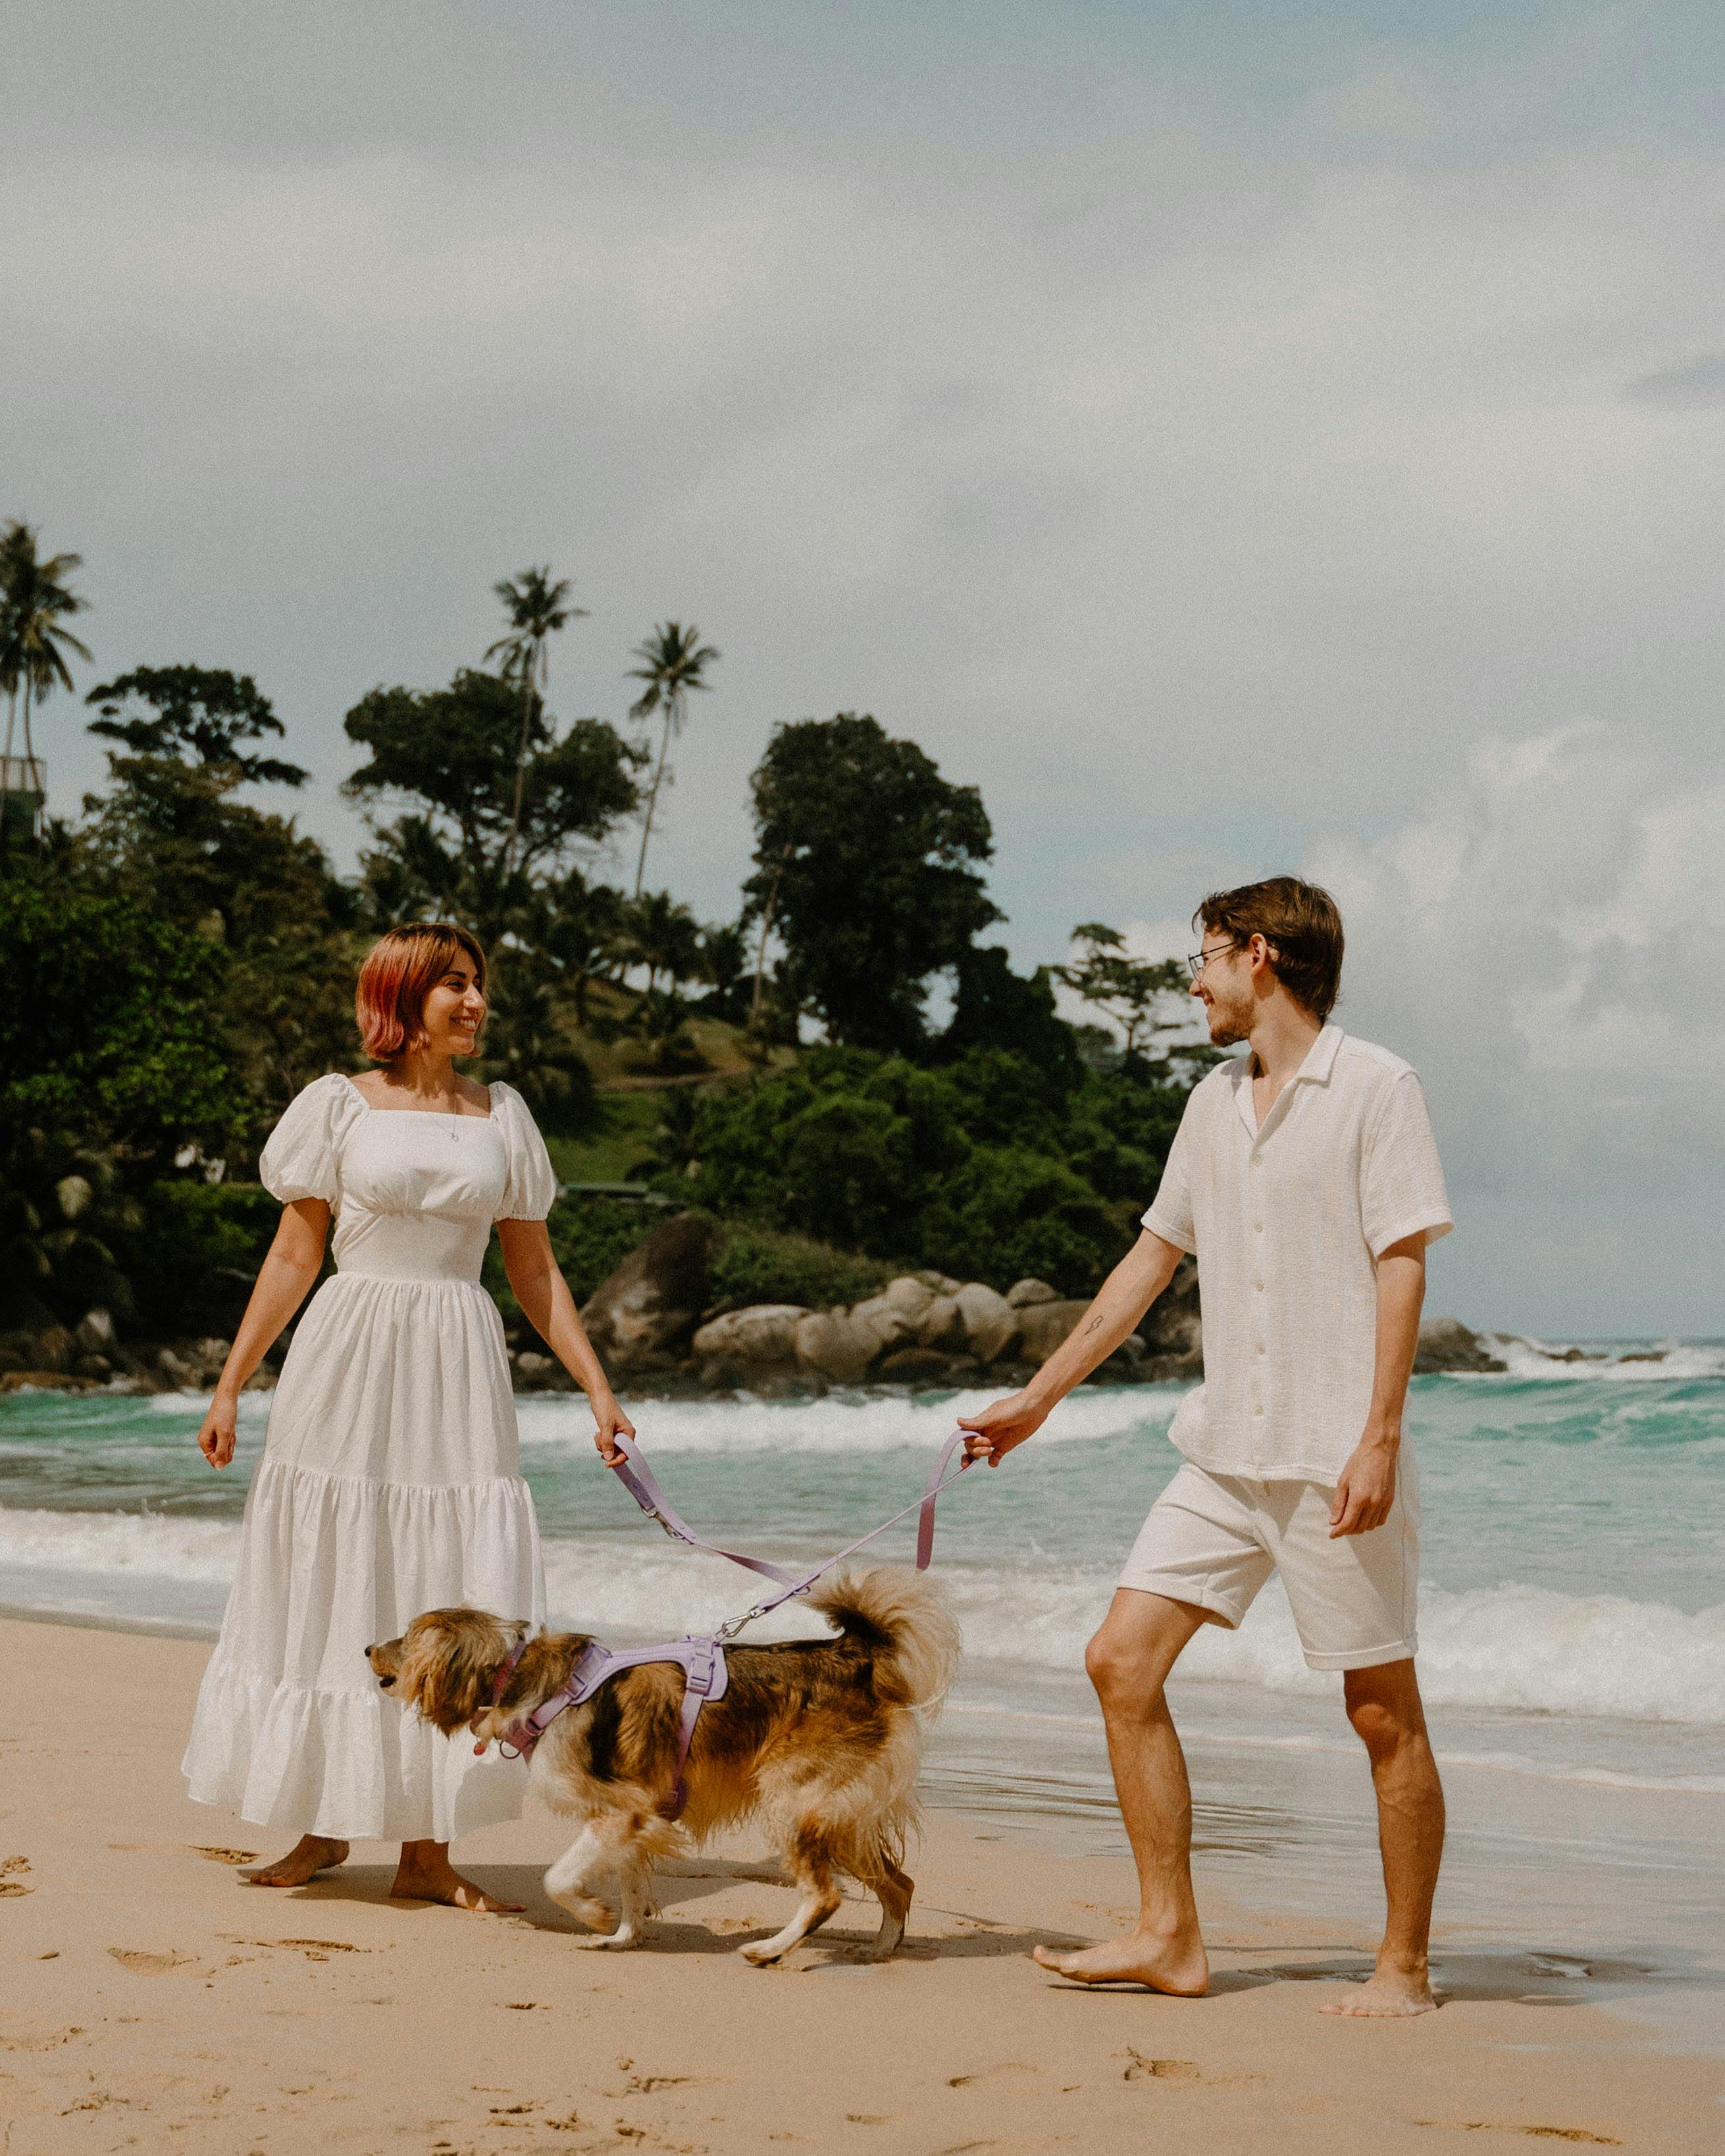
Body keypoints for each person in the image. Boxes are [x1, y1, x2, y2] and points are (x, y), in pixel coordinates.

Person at [959, 877, 1452, 2016]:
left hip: (1334, 1456)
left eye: (1205, 958)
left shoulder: (1378, 1087)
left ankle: (1404, 1970)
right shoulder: (1208, 1103)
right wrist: (1035, 1400)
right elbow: (1148, 1262)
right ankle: (1168, 1935)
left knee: (1380, 1713)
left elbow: (1402, 1265)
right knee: (1118, 1662)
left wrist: (1376, 1440)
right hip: (1222, 1451)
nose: (1194, 981)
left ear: (1260, 954)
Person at [182, 921, 633, 1909]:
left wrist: (598, 1388)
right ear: (402, 997)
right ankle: (322, 1825)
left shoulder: (501, 1114)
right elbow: (296, 1257)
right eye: (454, 985)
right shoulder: (336, 1107)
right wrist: (230, 1384)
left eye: (478, 985)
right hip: (347, 1353)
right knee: (334, 1571)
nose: (475, 1002)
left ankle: (428, 1853)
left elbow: (534, 1271)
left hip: (455, 1358)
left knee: (451, 1580)